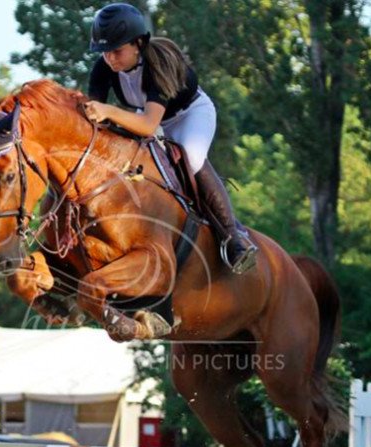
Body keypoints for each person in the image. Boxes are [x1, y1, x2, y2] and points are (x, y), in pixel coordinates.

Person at [85, 2, 257, 274]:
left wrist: (109, 111)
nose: (110, 59)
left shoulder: (158, 65)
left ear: (138, 44)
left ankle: (233, 237)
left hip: (190, 114)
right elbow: (94, 116)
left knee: (190, 155)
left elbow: (148, 124)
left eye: (116, 51)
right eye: (105, 53)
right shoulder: (104, 68)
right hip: (151, 117)